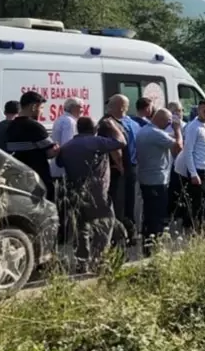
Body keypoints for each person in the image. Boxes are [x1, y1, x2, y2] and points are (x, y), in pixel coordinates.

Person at [57, 117, 125, 267]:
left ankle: (82, 261)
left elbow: (59, 163)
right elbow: (121, 143)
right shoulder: (96, 142)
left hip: (75, 192)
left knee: (81, 227)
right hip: (97, 193)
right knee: (104, 224)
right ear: (94, 129)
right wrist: (113, 126)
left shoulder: (67, 146)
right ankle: (98, 259)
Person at [135, 108, 183, 248]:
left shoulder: (144, 130)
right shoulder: (155, 133)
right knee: (157, 214)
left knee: (149, 213)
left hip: (146, 178)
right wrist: (178, 130)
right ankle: (154, 244)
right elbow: (178, 146)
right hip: (156, 180)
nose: (169, 125)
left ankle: (148, 243)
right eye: (168, 122)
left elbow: (166, 136)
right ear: (161, 120)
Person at [6, 91, 59, 201]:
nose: (42, 112)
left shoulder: (11, 127)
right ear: (34, 107)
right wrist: (57, 149)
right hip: (38, 179)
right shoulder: (35, 127)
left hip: (18, 178)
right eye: (41, 108)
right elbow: (50, 152)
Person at [173, 99, 205, 230]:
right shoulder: (193, 127)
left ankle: (200, 228)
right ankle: (192, 229)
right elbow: (188, 151)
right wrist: (193, 173)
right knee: (196, 204)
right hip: (198, 170)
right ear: (198, 111)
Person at [98, 95, 133, 240]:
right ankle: (116, 238)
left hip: (117, 170)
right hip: (115, 172)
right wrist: (120, 165)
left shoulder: (113, 121)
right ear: (121, 107)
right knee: (117, 205)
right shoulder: (108, 123)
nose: (127, 109)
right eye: (126, 106)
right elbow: (115, 147)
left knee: (122, 204)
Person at [48, 97, 83, 206]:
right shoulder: (70, 122)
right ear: (74, 108)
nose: (82, 110)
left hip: (57, 166)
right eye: (80, 107)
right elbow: (68, 145)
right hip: (64, 168)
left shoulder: (62, 119)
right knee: (66, 201)